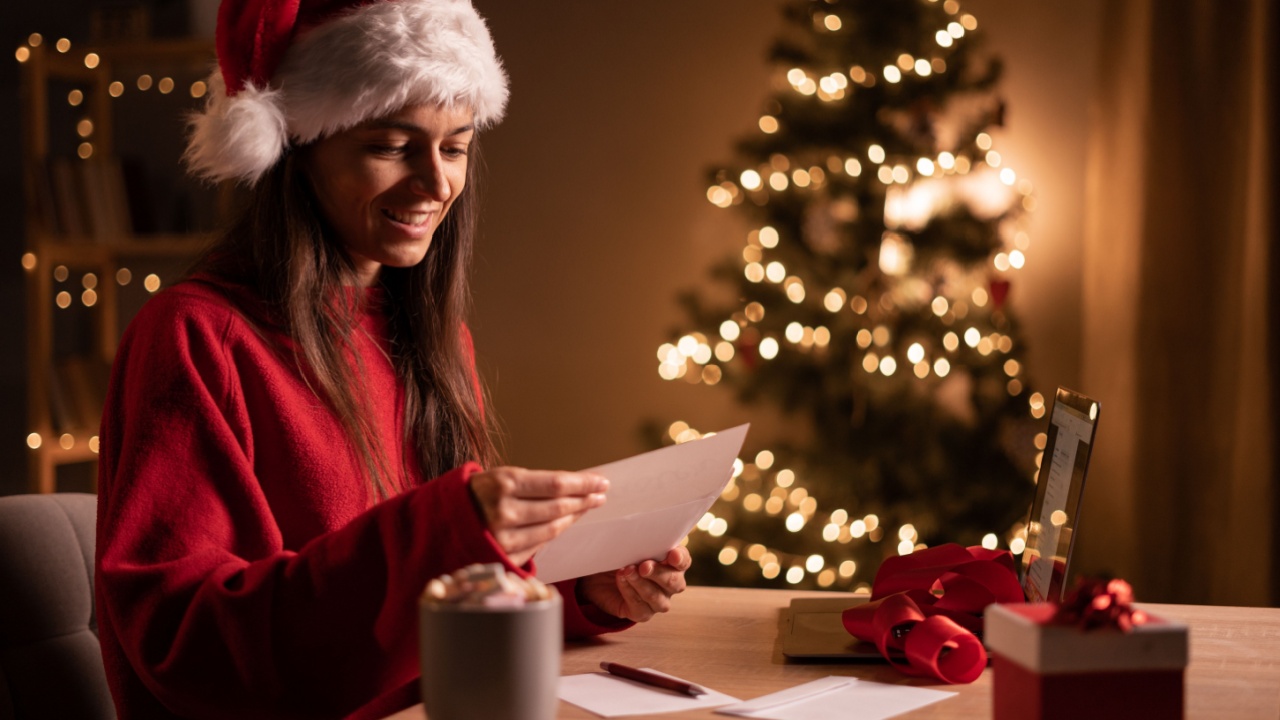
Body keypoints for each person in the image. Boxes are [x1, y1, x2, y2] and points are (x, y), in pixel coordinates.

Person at [93, 1, 691, 718]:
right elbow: (187, 646)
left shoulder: (436, 336)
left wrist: (578, 588)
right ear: (297, 147)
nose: (436, 184)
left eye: (455, 148)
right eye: (391, 146)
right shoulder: (194, 336)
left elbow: (431, 600)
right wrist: (445, 531)